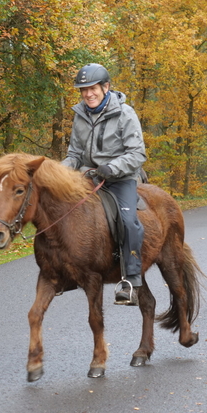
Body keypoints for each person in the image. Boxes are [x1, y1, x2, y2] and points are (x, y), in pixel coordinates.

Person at [62, 63, 147, 305]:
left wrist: (112, 168)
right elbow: (75, 154)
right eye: (83, 90)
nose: (88, 94)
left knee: (129, 221)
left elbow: (137, 154)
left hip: (121, 178)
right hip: (88, 177)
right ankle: (68, 273)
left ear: (105, 87)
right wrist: (58, 171)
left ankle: (131, 280)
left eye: (93, 88)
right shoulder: (79, 115)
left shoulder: (125, 114)